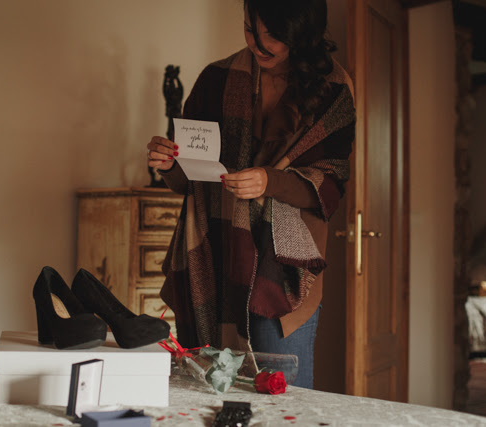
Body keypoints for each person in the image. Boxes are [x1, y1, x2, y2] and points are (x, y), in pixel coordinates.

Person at [146, 0, 355, 389]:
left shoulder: (334, 90)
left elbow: (329, 187)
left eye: (271, 35)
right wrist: (167, 163)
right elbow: (187, 179)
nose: (257, 45)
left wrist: (269, 181)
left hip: (282, 270)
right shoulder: (216, 80)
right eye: (249, 29)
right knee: (205, 393)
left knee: (282, 397)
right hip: (214, 254)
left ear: (302, 31)